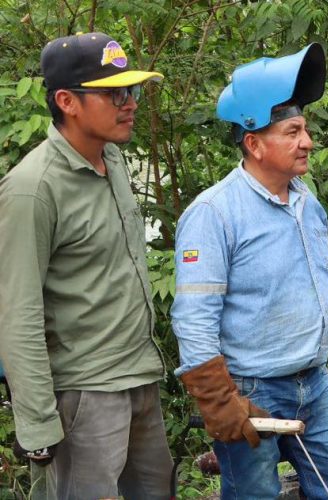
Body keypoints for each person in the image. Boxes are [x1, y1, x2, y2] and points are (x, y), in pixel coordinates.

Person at [171, 43, 328, 499]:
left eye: (305, 129)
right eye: (292, 131)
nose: (308, 141)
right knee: (254, 493)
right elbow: (194, 318)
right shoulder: (215, 214)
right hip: (252, 387)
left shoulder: (306, 201)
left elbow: (317, 280)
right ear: (254, 143)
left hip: (313, 381)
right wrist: (219, 400)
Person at [0, 32, 174, 498]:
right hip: (83, 395)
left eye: (132, 91)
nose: (130, 103)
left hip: (140, 377)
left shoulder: (112, 159)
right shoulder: (32, 189)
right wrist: (36, 424)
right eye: (114, 93)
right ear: (66, 101)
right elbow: (17, 314)